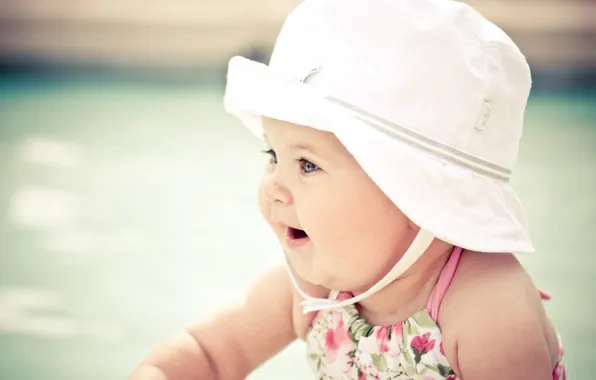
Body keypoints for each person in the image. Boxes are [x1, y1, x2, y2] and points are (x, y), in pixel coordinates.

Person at [128, 0, 567, 378]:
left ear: (414, 194)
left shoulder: (488, 311)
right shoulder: (313, 287)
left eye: (307, 164)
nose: (275, 187)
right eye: (273, 156)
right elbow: (211, 354)